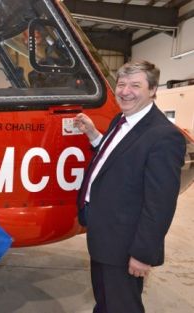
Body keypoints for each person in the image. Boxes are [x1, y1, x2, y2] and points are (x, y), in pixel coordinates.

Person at [73, 60, 186, 313]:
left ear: (153, 90)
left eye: (135, 85)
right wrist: (94, 135)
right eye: (121, 84)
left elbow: (160, 204)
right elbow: (115, 159)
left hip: (125, 244)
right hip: (104, 235)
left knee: (122, 306)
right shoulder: (121, 120)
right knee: (104, 301)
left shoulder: (164, 137)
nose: (125, 91)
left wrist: (143, 253)